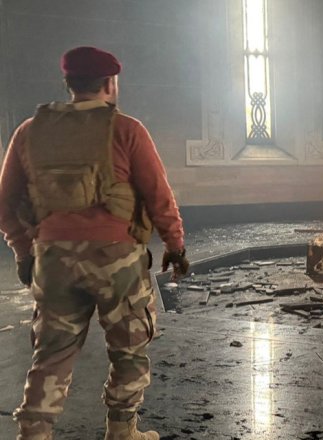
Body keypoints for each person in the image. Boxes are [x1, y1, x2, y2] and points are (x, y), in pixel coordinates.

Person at [0, 46, 190, 440]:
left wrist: (23, 250)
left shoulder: (28, 131)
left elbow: (5, 204)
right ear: (110, 83)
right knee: (129, 347)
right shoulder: (127, 129)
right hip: (116, 260)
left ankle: (33, 434)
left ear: (68, 83)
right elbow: (158, 196)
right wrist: (175, 245)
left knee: (50, 355)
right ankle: (123, 431)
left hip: (53, 260)